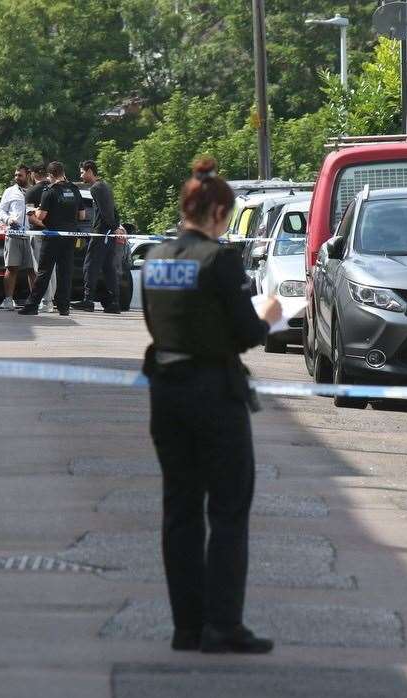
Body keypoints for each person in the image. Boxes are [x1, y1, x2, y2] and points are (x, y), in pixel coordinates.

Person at [141, 158, 282, 654]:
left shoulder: (157, 257)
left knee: (180, 509)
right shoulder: (219, 260)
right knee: (227, 508)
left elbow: (153, 323)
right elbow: (244, 333)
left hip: (166, 392)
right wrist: (267, 314)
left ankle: (187, 626)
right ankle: (223, 625)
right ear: (218, 210)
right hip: (214, 395)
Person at [18, 162, 84, 316]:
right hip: (70, 237)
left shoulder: (50, 191)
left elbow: (41, 216)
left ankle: (32, 305)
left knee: (44, 272)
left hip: (53, 235)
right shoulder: (75, 190)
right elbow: (82, 216)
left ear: (51, 175)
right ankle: (64, 307)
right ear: (62, 172)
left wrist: (36, 210)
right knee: (65, 272)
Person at [72, 160, 125, 313]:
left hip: (101, 233)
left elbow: (105, 211)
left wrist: (115, 227)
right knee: (108, 268)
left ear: (89, 171)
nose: (81, 175)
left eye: (82, 172)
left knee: (90, 266)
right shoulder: (105, 185)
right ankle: (114, 302)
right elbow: (114, 210)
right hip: (107, 234)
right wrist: (116, 226)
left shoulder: (96, 188)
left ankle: (88, 300)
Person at [0, 164, 36, 310]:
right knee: (11, 268)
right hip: (13, 234)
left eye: (20, 175)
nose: (17, 178)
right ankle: (8, 299)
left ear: (28, 175)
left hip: (32, 235)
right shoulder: (9, 191)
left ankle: (35, 300)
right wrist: (8, 220)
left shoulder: (35, 190)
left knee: (33, 269)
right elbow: (1, 211)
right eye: (16, 175)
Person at [26, 165, 57, 313]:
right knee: (53, 269)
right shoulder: (55, 189)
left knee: (40, 269)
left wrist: (44, 226)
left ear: (33, 174)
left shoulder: (31, 192)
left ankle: (46, 302)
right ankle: (51, 300)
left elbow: (31, 217)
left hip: (39, 234)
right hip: (55, 234)